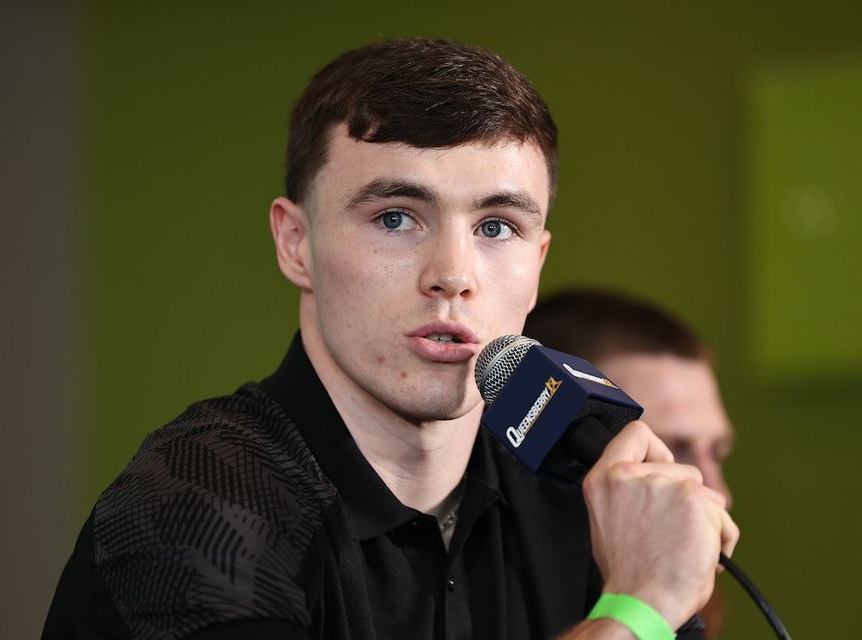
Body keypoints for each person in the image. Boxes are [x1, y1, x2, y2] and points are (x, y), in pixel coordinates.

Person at [44, 39, 737, 640]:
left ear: (539, 263)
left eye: (497, 227)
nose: (453, 276)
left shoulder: (576, 501)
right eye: (396, 218)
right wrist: (635, 611)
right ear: (296, 244)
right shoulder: (195, 507)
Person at [524, 287, 735, 636]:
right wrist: (641, 604)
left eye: (716, 452)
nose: (719, 493)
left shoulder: (693, 605)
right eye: (671, 449)